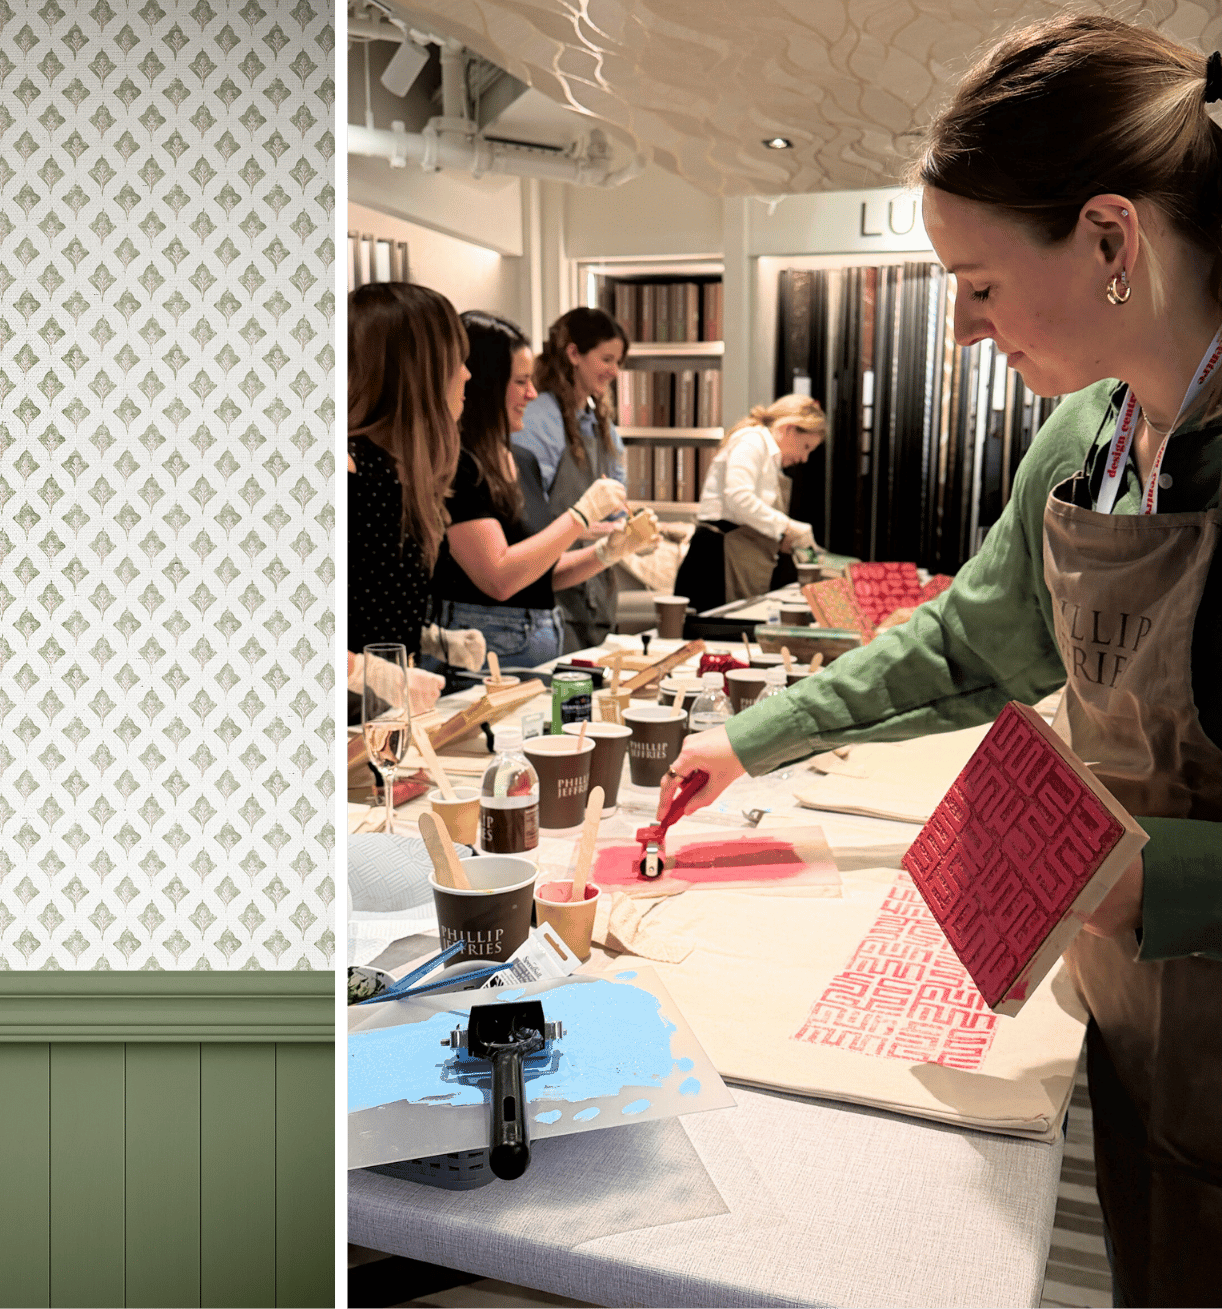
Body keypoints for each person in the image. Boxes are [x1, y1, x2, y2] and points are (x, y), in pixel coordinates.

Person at [661, 16, 1222, 1305]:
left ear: (1109, 239)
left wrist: (1162, 880)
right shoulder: (1089, 433)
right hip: (1138, 1023)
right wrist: (744, 739)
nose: (963, 333)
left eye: (977, 284)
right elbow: (972, 641)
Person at [429, 311, 659, 669]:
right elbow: (499, 578)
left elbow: (537, 571)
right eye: (520, 382)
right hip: (480, 657)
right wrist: (581, 516)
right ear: (486, 385)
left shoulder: (521, 460)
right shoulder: (457, 465)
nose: (532, 394)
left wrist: (606, 553)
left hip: (536, 647)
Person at [343, 281, 468, 715]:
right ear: (421, 371)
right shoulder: (350, 471)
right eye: (458, 361)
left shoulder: (400, 470)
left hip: (382, 719)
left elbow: (369, 604)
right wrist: (371, 672)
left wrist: (433, 639)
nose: (467, 375)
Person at [511, 307, 632, 653]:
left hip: (595, 593)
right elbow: (526, 516)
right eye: (606, 358)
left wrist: (621, 525)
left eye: (618, 361)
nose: (614, 370)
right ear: (574, 353)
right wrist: (584, 526)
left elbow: (617, 503)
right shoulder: (539, 421)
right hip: (553, 597)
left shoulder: (602, 426)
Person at [672, 396, 824, 613]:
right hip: (716, 560)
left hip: (736, 554)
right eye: (806, 446)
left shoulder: (769, 456)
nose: (804, 458)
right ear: (790, 428)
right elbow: (738, 497)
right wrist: (787, 526)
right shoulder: (751, 441)